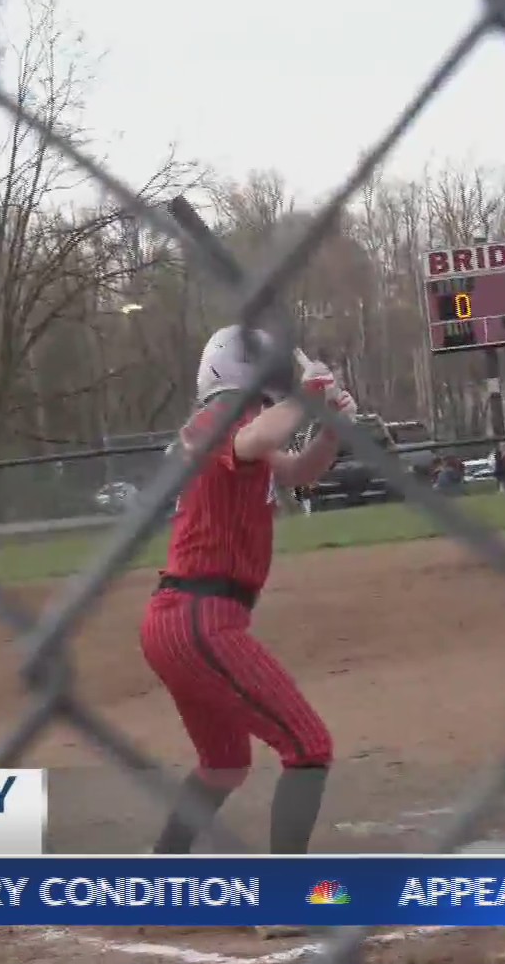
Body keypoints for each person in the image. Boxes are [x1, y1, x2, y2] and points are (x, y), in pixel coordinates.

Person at [141, 325, 352, 890]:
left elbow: (298, 470)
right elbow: (259, 439)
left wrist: (330, 427)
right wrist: (307, 394)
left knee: (224, 763)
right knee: (308, 745)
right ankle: (286, 897)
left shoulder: (239, 427)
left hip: (187, 619)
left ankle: (160, 876)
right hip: (200, 617)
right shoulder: (214, 421)